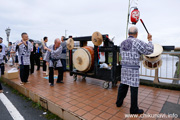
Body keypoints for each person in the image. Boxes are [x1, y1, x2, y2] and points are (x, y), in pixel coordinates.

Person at [116, 26, 154, 114]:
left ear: (129, 33)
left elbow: (122, 53)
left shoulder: (122, 43)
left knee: (123, 85)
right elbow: (150, 50)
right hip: (133, 69)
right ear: (136, 34)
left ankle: (118, 102)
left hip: (124, 68)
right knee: (133, 88)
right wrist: (150, 40)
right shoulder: (138, 42)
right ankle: (133, 109)